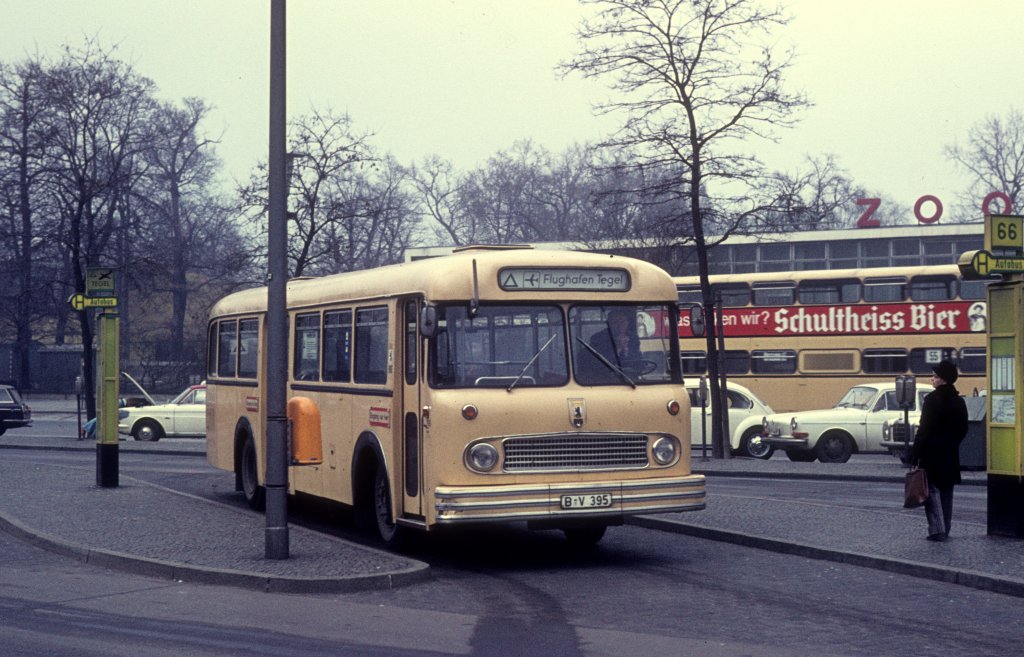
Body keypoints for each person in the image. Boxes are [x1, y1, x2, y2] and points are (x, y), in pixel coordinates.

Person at [909, 359, 969, 542]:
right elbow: (963, 429)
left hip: (931, 454)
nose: (931, 379)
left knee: (932, 492)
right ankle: (947, 528)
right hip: (950, 454)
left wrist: (915, 453)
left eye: (935, 376)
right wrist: (951, 443)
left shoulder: (932, 400)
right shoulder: (959, 401)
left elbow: (924, 428)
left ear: (942, 379)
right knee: (947, 492)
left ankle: (937, 530)